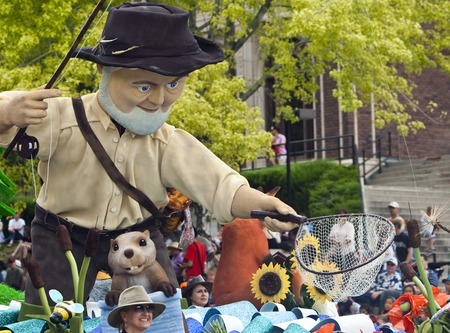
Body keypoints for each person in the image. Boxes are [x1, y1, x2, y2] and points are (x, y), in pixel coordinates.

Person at [0, 3, 298, 306]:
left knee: (161, 318)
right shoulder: (62, 118)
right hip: (62, 238)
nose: (158, 99)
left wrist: (265, 206)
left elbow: (221, 186)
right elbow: (6, 112)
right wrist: (8, 112)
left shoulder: (168, 142)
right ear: (104, 69)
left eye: (173, 84)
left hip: (141, 237)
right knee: (50, 317)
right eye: (144, 85)